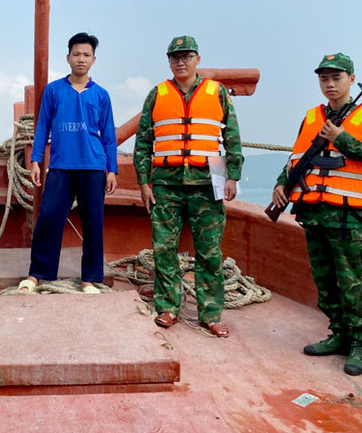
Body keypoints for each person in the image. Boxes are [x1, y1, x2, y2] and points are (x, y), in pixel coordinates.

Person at [271, 53, 362, 375]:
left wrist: (344, 140)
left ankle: (356, 344)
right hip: (313, 213)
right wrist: (281, 184)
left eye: (336, 78)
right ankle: (338, 334)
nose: (329, 84)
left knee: (352, 282)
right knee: (324, 281)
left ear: (351, 80)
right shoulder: (312, 116)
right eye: (324, 78)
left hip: (348, 218)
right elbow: (297, 158)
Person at [133, 36, 243, 338]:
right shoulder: (157, 94)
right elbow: (143, 141)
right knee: (163, 248)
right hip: (166, 184)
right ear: (169, 61)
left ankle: (211, 313)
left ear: (197, 59)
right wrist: (144, 181)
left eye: (186, 56)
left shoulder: (217, 93)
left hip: (207, 184)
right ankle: (168, 306)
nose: (180, 61)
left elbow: (231, 136)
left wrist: (232, 175)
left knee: (209, 251)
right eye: (175, 57)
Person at [18, 32, 118, 293]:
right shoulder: (54, 91)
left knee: (93, 222)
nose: (81, 59)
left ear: (94, 59)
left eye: (86, 55)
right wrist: (36, 160)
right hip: (61, 166)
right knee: (49, 217)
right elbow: (42, 128)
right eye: (76, 54)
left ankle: (89, 278)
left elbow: (109, 135)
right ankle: (37, 274)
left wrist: (112, 170)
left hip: (94, 166)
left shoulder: (102, 95)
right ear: (68, 57)